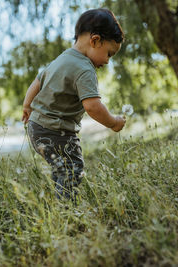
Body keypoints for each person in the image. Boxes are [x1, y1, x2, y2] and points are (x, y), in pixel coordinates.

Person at [22, 8, 126, 201]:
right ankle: (66, 210)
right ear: (95, 41)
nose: (107, 61)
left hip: (36, 128)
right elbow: (92, 106)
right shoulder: (84, 69)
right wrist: (113, 122)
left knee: (61, 169)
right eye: (109, 54)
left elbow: (37, 82)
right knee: (73, 169)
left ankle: (58, 200)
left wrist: (27, 105)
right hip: (56, 132)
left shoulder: (61, 58)